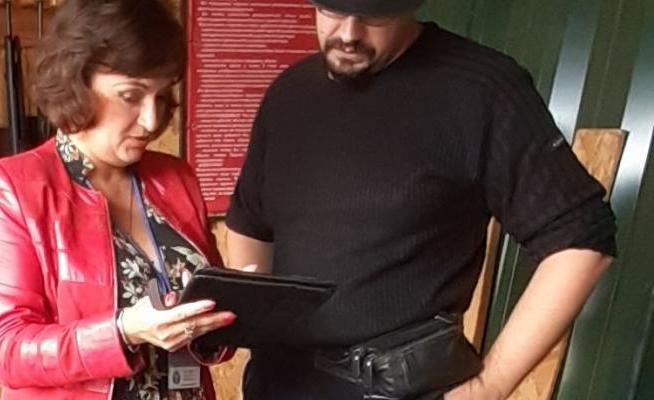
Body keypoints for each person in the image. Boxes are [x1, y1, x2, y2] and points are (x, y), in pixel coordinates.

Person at [226, 0, 617, 399]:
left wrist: (489, 387)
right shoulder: (289, 93)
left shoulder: (481, 89)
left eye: (372, 16)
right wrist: (256, 337)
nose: (348, 34)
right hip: (277, 384)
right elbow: (250, 223)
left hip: (398, 387)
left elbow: (581, 238)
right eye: (332, 11)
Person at [0, 1, 235, 399]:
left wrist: (237, 308)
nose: (151, 120)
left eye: (161, 96)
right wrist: (122, 331)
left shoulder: (177, 179)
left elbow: (211, 332)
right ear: (77, 83)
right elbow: (7, 350)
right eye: (130, 95)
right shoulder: (14, 187)